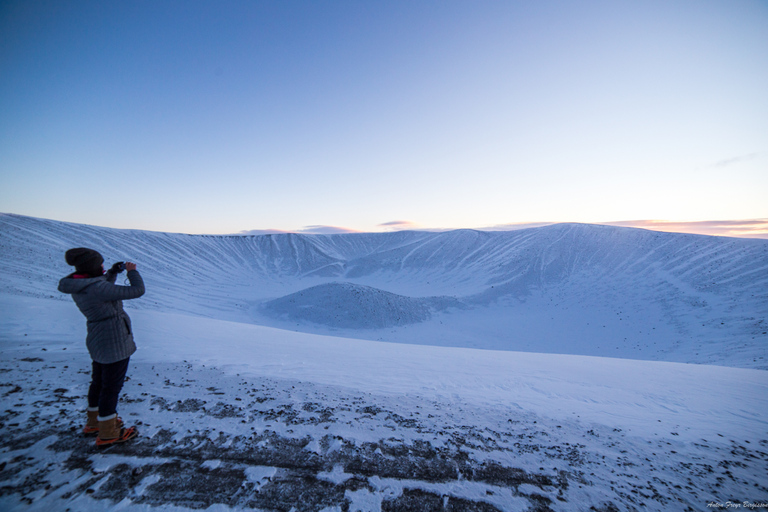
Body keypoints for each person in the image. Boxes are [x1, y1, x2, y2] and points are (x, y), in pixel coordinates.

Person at [58, 247, 145, 447]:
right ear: (93, 267)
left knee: (98, 382)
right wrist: (132, 272)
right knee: (111, 387)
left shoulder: (81, 283)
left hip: (98, 339)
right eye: (101, 265)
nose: (103, 267)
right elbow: (137, 291)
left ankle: (95, 423)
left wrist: (113, 273)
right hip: (114, 340)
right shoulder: (96, 288)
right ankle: (109, 432)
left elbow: (101, 288)